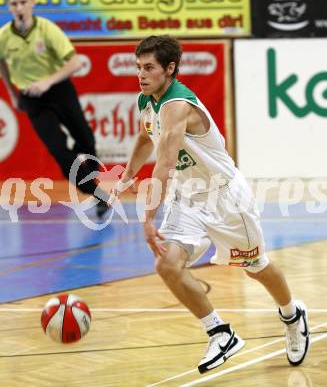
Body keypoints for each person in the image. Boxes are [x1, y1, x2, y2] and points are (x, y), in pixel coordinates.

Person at [118, 35, 310, 373]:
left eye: (149, 68)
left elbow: (164, 162)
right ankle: (220, 332)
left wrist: (148, 217)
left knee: (257, 269)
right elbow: (146, 137)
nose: (141, 74)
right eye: (138, 68)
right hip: (187, 197)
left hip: (225, 198)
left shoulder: (177, 106)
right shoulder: (146, 101)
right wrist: (127, 175)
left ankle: (293, 314)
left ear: (170, 69)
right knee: (168, 265)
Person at [0, 0, 109, 218]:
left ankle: (90, 169)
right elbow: (2, 63)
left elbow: (75, 62)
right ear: (9, 7)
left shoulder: (46, 29)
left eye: (23, 2)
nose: (19, 8)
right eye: (14, 4)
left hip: (59, 90)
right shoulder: (4, 36)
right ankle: (97, 194)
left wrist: (47, 82)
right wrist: (13, 94)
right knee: (58, 149)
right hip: (32, 99)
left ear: (32, 2)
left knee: (85, 139)